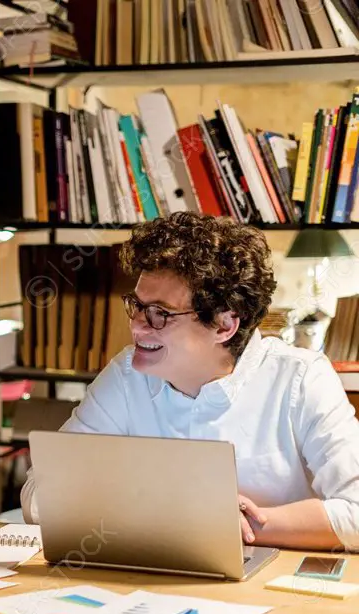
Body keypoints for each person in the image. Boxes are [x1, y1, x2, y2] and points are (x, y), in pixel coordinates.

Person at [20, 212, 359, 553]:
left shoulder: (300, 378)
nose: (137, 327)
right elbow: (40, 491)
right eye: (136, 306)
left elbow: (356, 512)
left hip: (276, 587)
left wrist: (235, 526)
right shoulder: (126, 374)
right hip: (152, 583)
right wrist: (170, 516)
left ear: (224, 325)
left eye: (159, 313)